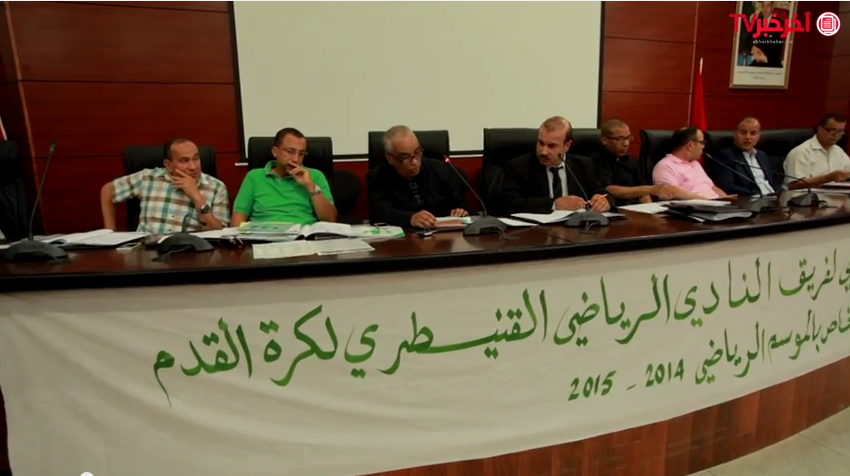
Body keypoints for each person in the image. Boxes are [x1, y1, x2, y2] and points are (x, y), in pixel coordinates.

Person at [100, 138, 229, 233]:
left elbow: (219, 233)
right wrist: (110, 232)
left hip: (190, 252)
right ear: (168, 165)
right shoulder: (147, 178)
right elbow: (107, 191)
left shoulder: (216, 187)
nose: (193, 167)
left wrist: (197, 197)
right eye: (184, 161)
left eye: (196, 158)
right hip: (147, 252)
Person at [498, 116, 612, 214]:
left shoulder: (584, 165)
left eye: (551, 146)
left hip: (578, 228)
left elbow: (604, 193)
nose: (543, 151)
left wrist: (604, 201)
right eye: (541, 143)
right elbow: (509, 203)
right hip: (537, 230)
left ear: (567, 145)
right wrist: (554, 204)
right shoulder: (518, 167)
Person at [231, 128, 337, 226]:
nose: (295, 159)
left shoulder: (315, 176)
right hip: (263, 236)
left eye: (301, 153)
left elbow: (330, 220)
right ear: (275, 152)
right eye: (290, 151)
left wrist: (310, 185)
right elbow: (237, 221)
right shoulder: (254, 177)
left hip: (303, 236)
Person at [367, 125, 468, 228]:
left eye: (417, 152)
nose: (415, 162)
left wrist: (460, 211)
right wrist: (410, 218)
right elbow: (381, 212)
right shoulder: (378, 177)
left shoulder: (440, 170)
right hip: (402, 235)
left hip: (441, 234)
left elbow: (459, 204)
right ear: (390, 158)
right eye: (406, 157)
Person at [591, 119, 693, 205]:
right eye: (620, 139)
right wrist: (653, 189)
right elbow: (608, 190)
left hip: (635, 208)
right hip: (612, 208)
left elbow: (642, 187)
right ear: (604, 140)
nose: (626, 143)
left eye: (628, 138)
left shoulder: (631, 161)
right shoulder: (595, 160)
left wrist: (647, 200)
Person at [652, 127, 731, 200]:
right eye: (702, 142)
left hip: (716, 205)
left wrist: (728, 200)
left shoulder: (695, 163)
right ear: (690, 145)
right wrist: (707, 201)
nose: (703, 146)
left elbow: (713, 188)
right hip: (696, 207)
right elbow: (672, 193)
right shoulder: (665, 166)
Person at [713, 117, 782, 196]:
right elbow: (727, 186)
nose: (748, 137)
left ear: (758, 136)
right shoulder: (726, 156)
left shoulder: (762, 155)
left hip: (772, 197)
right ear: (735, 134)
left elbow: (773, 182)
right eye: (743, 133)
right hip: (751, 199)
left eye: (753, 133)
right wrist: (753, 194)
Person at [784, 113, 850, 189]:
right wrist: (828, 178)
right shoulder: (801, 152)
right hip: (805, 195)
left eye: (840, 131)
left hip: (834, 194)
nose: (836, 135)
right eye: (832, 130)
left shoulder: (838, 151)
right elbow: (794, 184)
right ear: (820, 129)